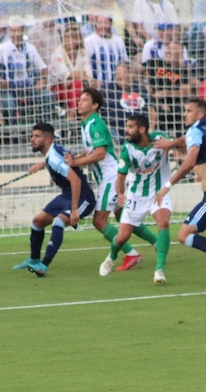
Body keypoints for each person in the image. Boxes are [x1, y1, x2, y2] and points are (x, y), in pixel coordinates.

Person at [66, 87, 157, 273]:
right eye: (80, 99)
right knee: (124, 217)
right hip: (109, 177)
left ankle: (131, 254)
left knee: (99, 221)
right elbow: (93, 151)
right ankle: (157, 242)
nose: (79, 102)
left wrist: (75, 162)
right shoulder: (87, 124)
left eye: (84, 100)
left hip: (110, 177)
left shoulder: (95, 124)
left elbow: (99, 154)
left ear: (95, 105)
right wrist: (79, 157)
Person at [154, 98, 206, 280]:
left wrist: (166, 187)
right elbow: (188, 141)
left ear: (199, 114)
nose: (185, 114)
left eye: (189, 111)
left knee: (184, 235)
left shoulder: (195, 131)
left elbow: (190, 162)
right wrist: (171, 144)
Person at [12, 123, 96, 276]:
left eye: (37, 136)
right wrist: (42, 163)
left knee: (58, 221)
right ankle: (34, 259)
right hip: (66, 195)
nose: (32, 139)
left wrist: (75, 209)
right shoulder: (53, 152)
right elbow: (57, 159)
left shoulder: (54, 156)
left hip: (83, 197)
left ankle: (43, 265)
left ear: (48, 139)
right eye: (32, 136)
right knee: (38, 221)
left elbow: (75, 180)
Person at [100, 114, 172, 284]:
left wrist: (172, 144)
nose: (127, 130)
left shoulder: (160, 139)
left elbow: (183, 145)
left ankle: (159, 270)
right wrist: (120, 194)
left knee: (163, 222)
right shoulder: (128, 149)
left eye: (131, 126)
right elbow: (120, 177)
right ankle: (112, 257)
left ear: (142, 129)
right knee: (122, 237)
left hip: (159, 192)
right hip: (136, 194)